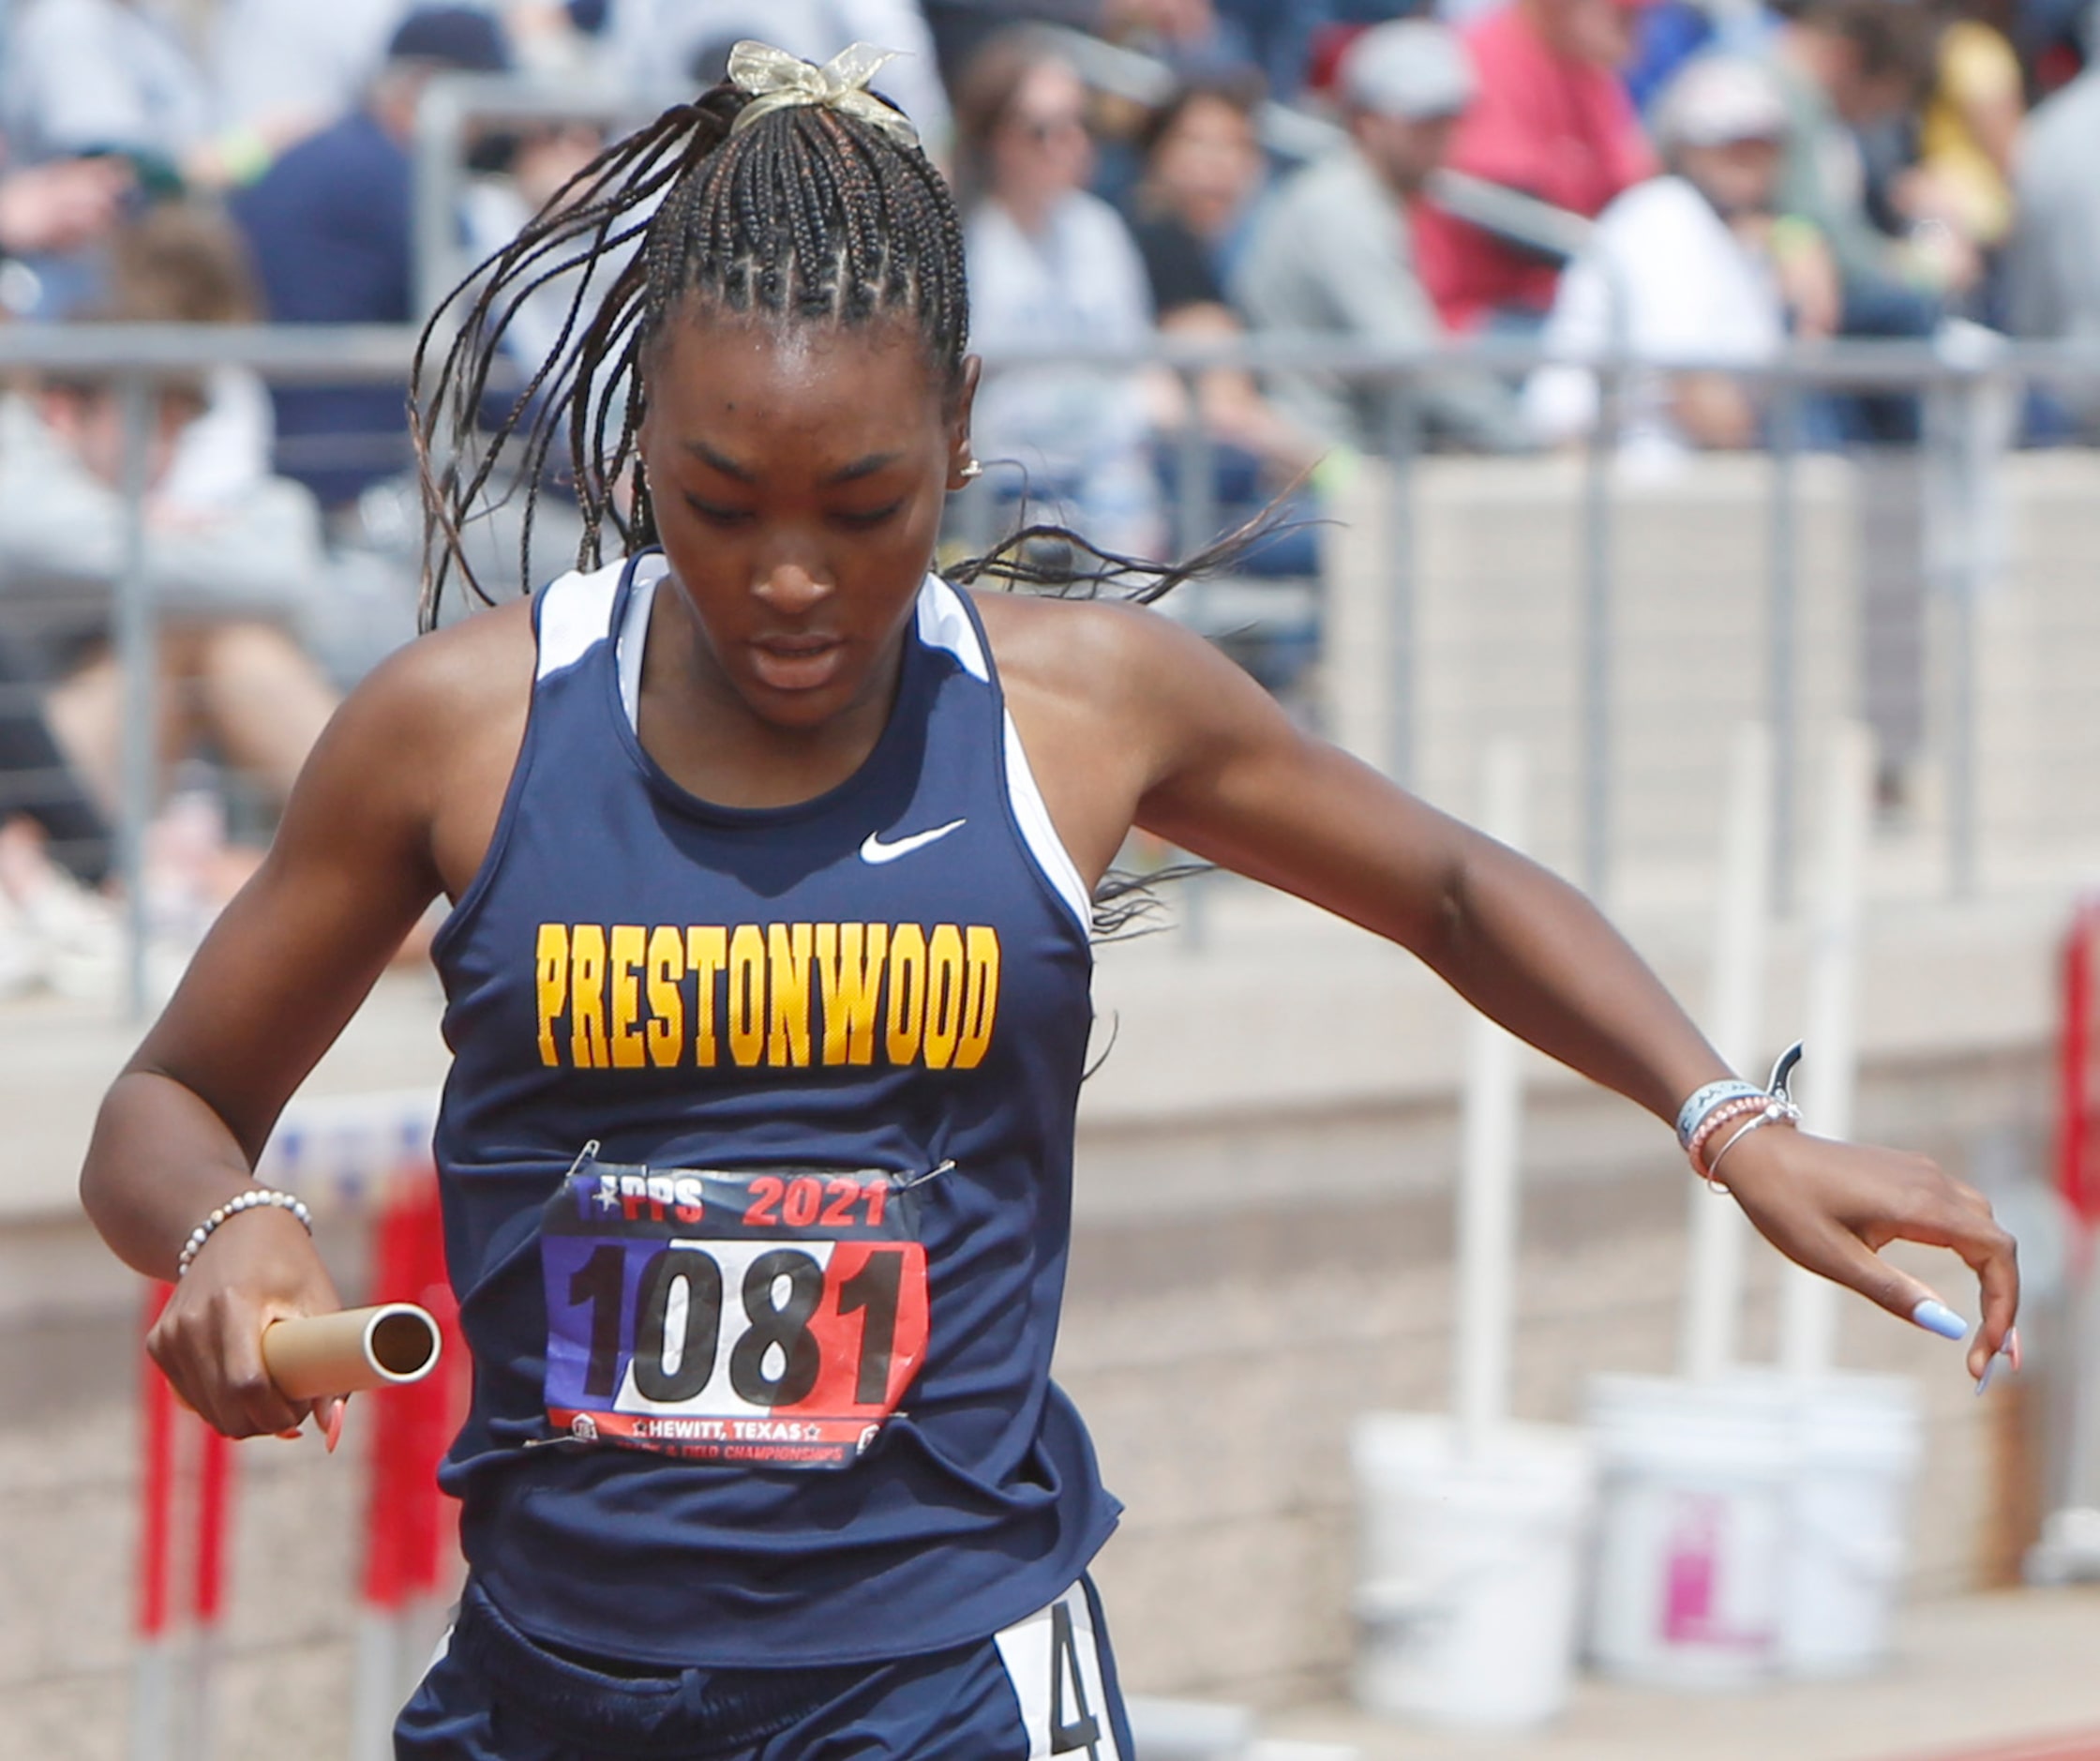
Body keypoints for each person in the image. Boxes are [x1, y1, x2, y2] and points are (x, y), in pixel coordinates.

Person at [79, 38, 2018, 1761]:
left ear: (960, 426)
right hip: (549, 1676)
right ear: (642, 440)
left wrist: (1727, 1118)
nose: (787, 579)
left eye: (865, 503)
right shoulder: (460, 730)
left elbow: (1441, 884)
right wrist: (231, 1230)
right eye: (717, 498)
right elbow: (161, 1109)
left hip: (936, 1683)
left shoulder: (1078, 710)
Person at [229, 7, 515, 516]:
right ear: (431, 88)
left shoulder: (315, 156)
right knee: (592, 553)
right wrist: (584, 474)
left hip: (273, 469)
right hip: (365, 492)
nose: (490, 127)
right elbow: (484, 359)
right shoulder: (400, 179)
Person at [1235, 19, 1531, 455]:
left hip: (1347, 452)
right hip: (1317, 466)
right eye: (1421, 123)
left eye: (1448, 120)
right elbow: (1415, 365)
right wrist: (1528, 441)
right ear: (1366, 121)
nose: (1440, 140)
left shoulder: (1361, 198)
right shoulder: (1339, 205)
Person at [1525, 55, 1840, 459]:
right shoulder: (1665, 215)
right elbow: (1692, 390)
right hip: (1619, 471)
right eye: (1728, 145)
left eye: (1763, 146)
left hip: (1676, 474)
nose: (1748, 161)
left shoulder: (1746, 237)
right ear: (1685, 150)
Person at [954, 31, 1162, 555]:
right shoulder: (964, 238)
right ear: (992, 136)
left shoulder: (1101, 231)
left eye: (1081, 123)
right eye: (1044, 129)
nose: (1071, 143)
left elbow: (1135, 366)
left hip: (1107, 485)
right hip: (998, 490)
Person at [1408, 0, 1658, 336]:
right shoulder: (1488, 55)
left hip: (1566, 301)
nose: (1639, 33)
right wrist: (1622, 259)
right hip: (1479, 310)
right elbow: (1509, 216)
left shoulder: (1588, 67)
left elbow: (1636, 192)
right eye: (1623, 18)